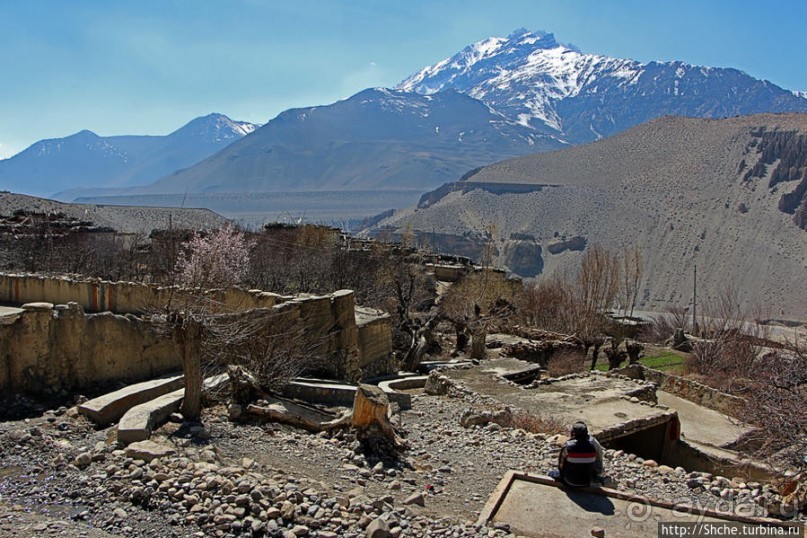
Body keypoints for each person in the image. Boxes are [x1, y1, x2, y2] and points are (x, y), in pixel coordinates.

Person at [556, 421, 605, 487]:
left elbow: (560, 466)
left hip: (569, 481)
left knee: (552, 473)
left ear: (574, 433)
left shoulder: (568, 446)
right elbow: (599, 458)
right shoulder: (593, 444)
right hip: (587, 481)